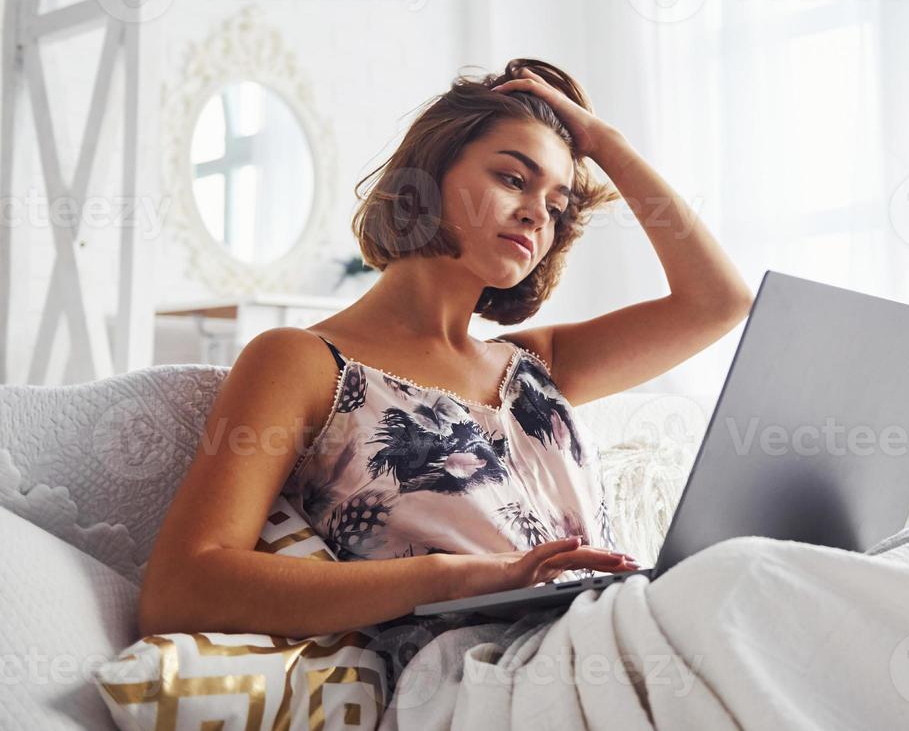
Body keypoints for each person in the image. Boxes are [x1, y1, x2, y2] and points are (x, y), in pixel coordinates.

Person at [137, 59, 754, 638]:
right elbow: (182, 589)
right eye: (513, 178)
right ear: (427, 179)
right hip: (481, 675)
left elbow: (720, 301)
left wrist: (603, 142)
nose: (537, 214)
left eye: (557, 207)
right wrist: (455, 578)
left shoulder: (535, 366)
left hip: (614, 632)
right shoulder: (301, 362)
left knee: (768, 579)